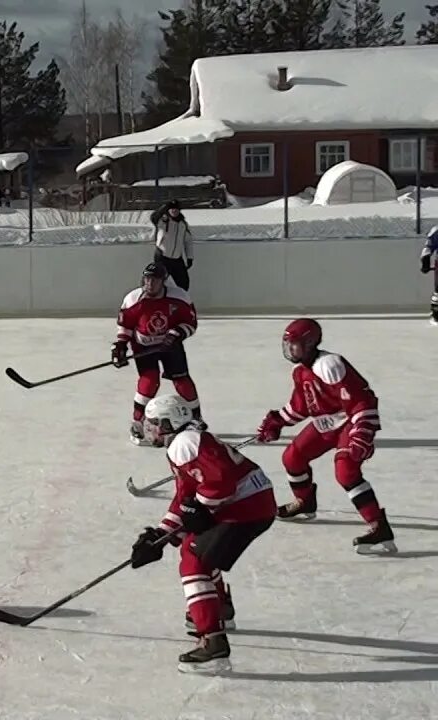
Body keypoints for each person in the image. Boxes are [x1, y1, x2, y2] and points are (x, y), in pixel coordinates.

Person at [129, 394, 276, 674]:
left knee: (193, 561)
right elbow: (186, 495)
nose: (149, 429)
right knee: (191, 548)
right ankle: (217, 608)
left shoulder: (185, 444)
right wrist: (162, 533)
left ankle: (213, 641)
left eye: (154, 423)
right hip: (250, 503)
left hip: (246, 508)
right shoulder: (184, 441)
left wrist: (202, 510)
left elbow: (222, 484)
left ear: (170, 423)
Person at [255, 318, 395, 553]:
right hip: (327, 425)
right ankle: (305, 501)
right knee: (292, 457)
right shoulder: (300, 371)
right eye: (287, 344)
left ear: (310, 343)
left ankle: (379, 527)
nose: (290, 349)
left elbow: (361, 399)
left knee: (346, 472)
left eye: (295, 344)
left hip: (349, 422)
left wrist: (363, 431)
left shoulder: (329, 364)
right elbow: (301, 407)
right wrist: (277, 421)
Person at [112, 262, 201, 445]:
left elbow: (191, 323)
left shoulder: (179, 297)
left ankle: (196, 419)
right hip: (143, 346)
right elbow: (125, 325)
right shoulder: (133, 299)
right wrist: (121, 345)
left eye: (154, 280)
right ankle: (137, 424)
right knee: (149, 380)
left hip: (170, 345)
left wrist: (177, 333)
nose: (149, 284)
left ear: (164, 281)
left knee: (182, 380)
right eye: (147, 279)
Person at [152, 200, 193, 289]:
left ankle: (181, 301)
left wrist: (189, 257)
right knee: (160, 282)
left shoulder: (183, 224)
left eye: (176, 209)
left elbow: (188, 241)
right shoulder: (162, 221)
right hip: (162, 258)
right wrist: (163, 209)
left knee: (183, 283)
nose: (174, 211)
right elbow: (154, 217)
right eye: (172, 209)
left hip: (177, 259)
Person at [420, 225, 438, 325]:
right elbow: (428, 248)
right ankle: (436, 312)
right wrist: (425, 261)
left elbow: (428, 248)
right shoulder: (436, 231)